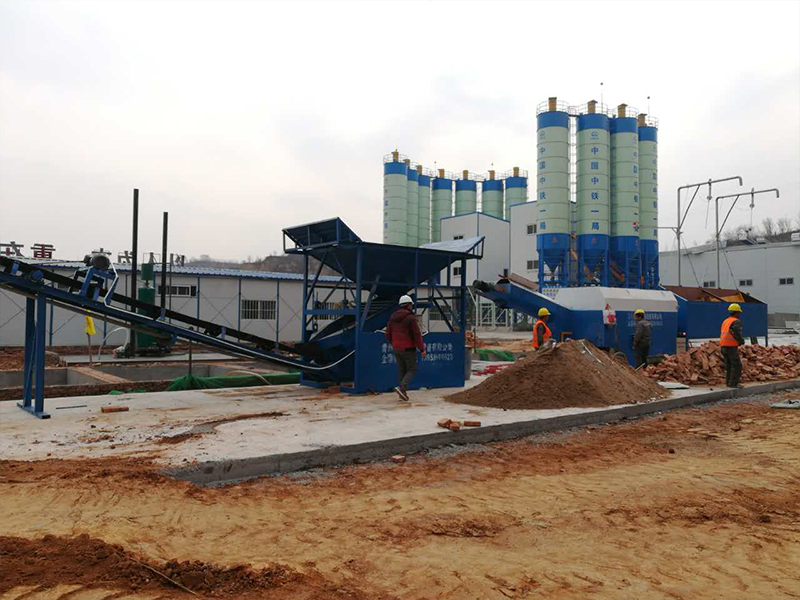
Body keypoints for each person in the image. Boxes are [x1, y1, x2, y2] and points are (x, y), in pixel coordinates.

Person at [385, 295, 426, 401]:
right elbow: (417, 335)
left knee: (401, 370)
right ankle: (401, 388)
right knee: (412, 369)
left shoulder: (393, 317)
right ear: (408, 305)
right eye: (411, 304)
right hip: (408, 348)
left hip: (397, 348)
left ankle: (401, 394)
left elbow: (387, 333)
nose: (411, 306)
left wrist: (394, 343)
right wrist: (422, 349)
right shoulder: (410, 318)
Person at [720, 303, 745, 389]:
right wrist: (741, 341)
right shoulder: (736, 321)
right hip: (731, 346)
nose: (739, 314)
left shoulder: (725, 321)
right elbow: (736, 332)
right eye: (739, 312)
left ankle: (729, 383)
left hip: (723, 346)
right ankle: (734, 384)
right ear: (736, 312)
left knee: (729, 366)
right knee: (737, 365)